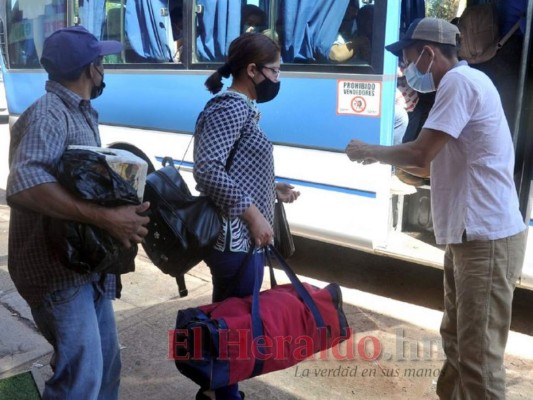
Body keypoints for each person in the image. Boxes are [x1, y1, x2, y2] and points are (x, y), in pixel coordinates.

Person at [345, 18, 527, 399]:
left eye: (408, 59)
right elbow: (427, 165)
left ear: (428, 53)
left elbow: (420, 152)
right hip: (467, 235)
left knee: (477, 360)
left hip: (485, 238)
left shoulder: (460, 82)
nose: (406, 69)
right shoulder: (463, 83)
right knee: (458, 345)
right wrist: (397, 163)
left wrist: (371, 152)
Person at [6, 26, 150, 400]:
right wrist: (105, 218)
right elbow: (24, 182)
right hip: (56, 274)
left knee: (104, 370)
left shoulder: (80, 111)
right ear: (91, 68)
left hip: (85, 269)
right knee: (80, 381)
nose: (104, 69)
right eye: (101, 61)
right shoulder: (49, 114)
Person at [193, 32, 300, 400]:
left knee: (229, 318)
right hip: (234, 238)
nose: (278, 78)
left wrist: (273, 190)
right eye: (275, 70)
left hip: (241, 237)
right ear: (252, 70)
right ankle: (225, 394)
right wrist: (254, 214)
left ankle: (216, 389)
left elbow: (235, 169)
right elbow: (208, 170)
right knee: (235, 322)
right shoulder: (231, 107)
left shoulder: (243, 109)